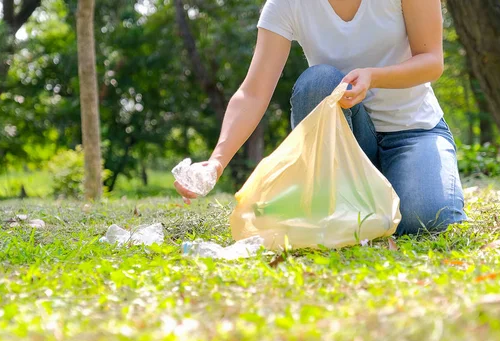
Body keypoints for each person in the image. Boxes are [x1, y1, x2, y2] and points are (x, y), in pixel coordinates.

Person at [174, 0, 467, 235]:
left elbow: (432, 61)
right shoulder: (286, 5)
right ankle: (347, 202)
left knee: (428, 220)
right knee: (318, 82)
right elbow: (253, 92)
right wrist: (217, 161)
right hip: (343, 138)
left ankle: (364, 202)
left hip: (412, 129)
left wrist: (373, 77)